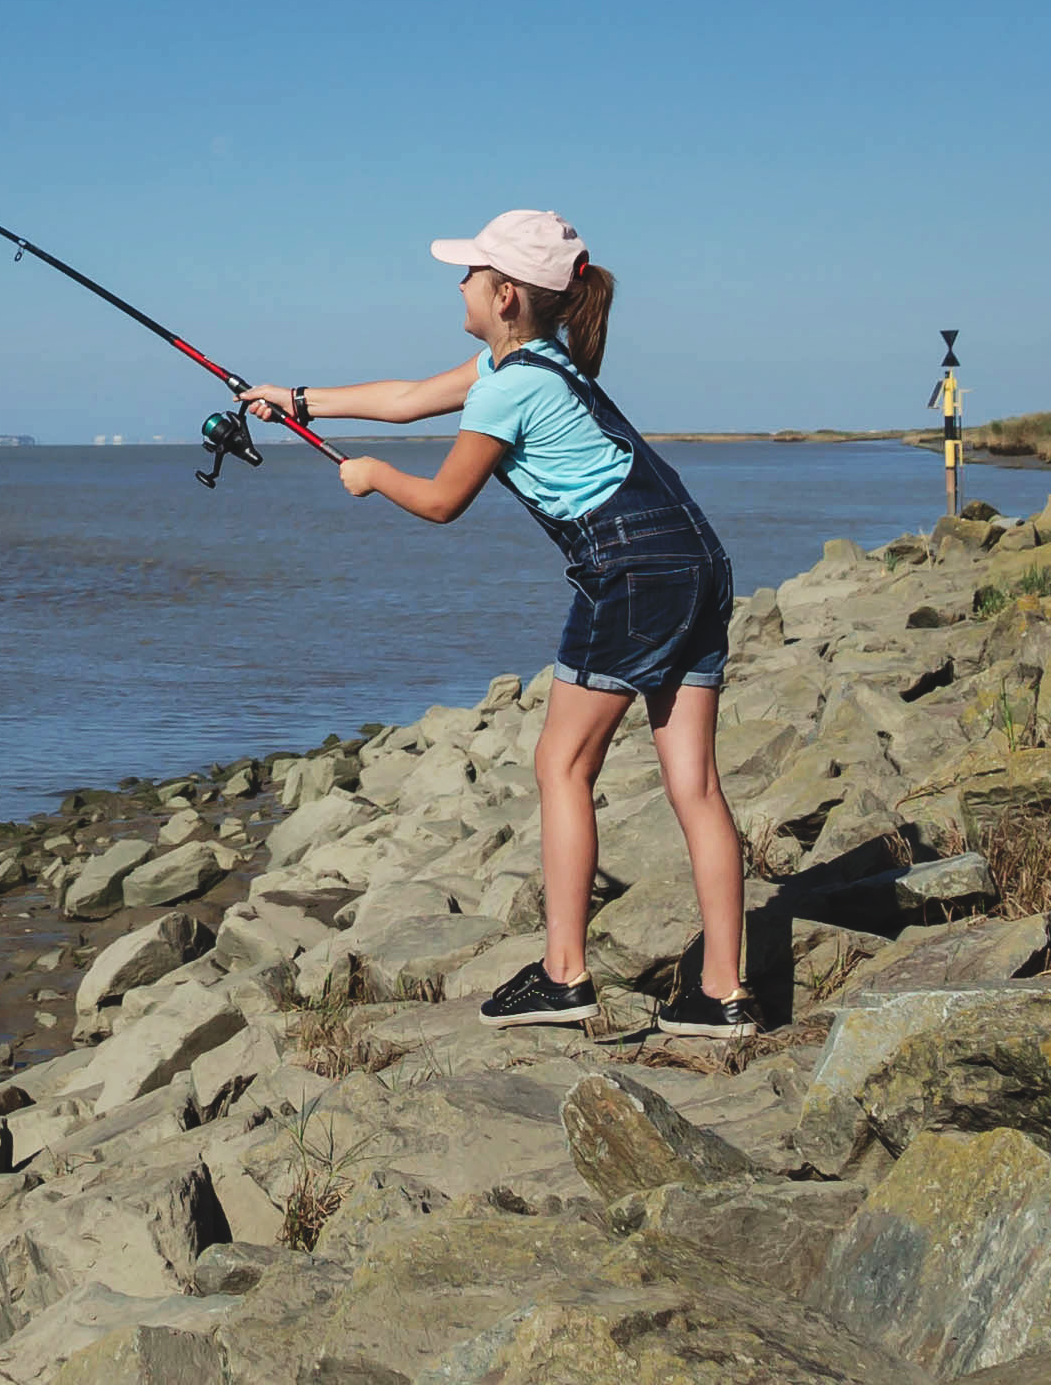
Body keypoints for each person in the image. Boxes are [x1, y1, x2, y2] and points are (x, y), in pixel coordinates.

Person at [239, 209, 755, 1036]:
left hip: (630, 571)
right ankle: (722, 993)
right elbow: (407, 399)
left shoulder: (509, 387)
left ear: (505, 295)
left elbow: (443, 501)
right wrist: (296, 399)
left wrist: (372, 477)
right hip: (696, 558)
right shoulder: (532, 362)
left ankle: (564, 975)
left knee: (561, 765)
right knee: (693, 784)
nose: (459, 284)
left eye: (471, 274)